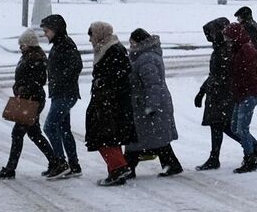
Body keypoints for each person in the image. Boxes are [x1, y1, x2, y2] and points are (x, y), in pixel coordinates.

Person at [0, 28, 57, 179]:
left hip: (31, 100)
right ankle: (55, 161)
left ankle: (10, 169)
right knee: (34, 134)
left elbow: (38, 81)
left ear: (30, 44)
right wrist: (19, 88)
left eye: (22, 45)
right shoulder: (29, 56)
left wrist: (22, 89)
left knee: (17, 134)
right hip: (29, 99)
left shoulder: (36, 58)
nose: (20, 47)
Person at [83, 21, 137, 186]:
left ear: (99, 34)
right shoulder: (106, 48)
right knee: (109, 136)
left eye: (91, 35)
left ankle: (119, 168)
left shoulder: (113, 49)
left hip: (110, 103)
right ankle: (115, 172)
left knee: (103, 136)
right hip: (108, 101)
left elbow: (120, 75)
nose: (90, 40)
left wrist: (103, 86)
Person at [123, 27, 182, 177]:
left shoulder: (146, 59)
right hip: (149, 103)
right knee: (154, 138)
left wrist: (151, 106)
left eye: (132, 43)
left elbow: (153, 85)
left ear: (139, 42)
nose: (131, 47)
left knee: (140, 138)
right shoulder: (147, 56)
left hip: (149, 104)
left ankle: (129, 168)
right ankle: (170, 165)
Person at [221, 21, 257, 173]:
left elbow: (247, 75)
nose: (227, 42)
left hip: (248, 94)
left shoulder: (246, 51)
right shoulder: (239, 49)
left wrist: (240, 88)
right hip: (242, 94)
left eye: (229, 38)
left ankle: (250, 158)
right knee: (235, 127)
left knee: (241, 128)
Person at [39, 13, 83, 178]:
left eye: (47, 30)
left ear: (56, 30)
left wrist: (61, 79)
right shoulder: (59, 44)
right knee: (64, 129)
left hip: (65, 93)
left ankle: (61, 162)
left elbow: (76, 65)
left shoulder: (65, 45)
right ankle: (74, 165)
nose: (45, 34)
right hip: (61, 93)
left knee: (50, 127)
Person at [195, 18, 234, 170]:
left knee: (222, 125)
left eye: (210, 34)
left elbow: (218, 75)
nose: (209, 37)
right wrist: (202, 91)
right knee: (221, 126)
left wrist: (203, 91)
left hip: (221, 95)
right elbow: (214, 75)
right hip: (218, 94)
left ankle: (255, 148)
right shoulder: (220, 49)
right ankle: (214, 157)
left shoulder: (224, 50)